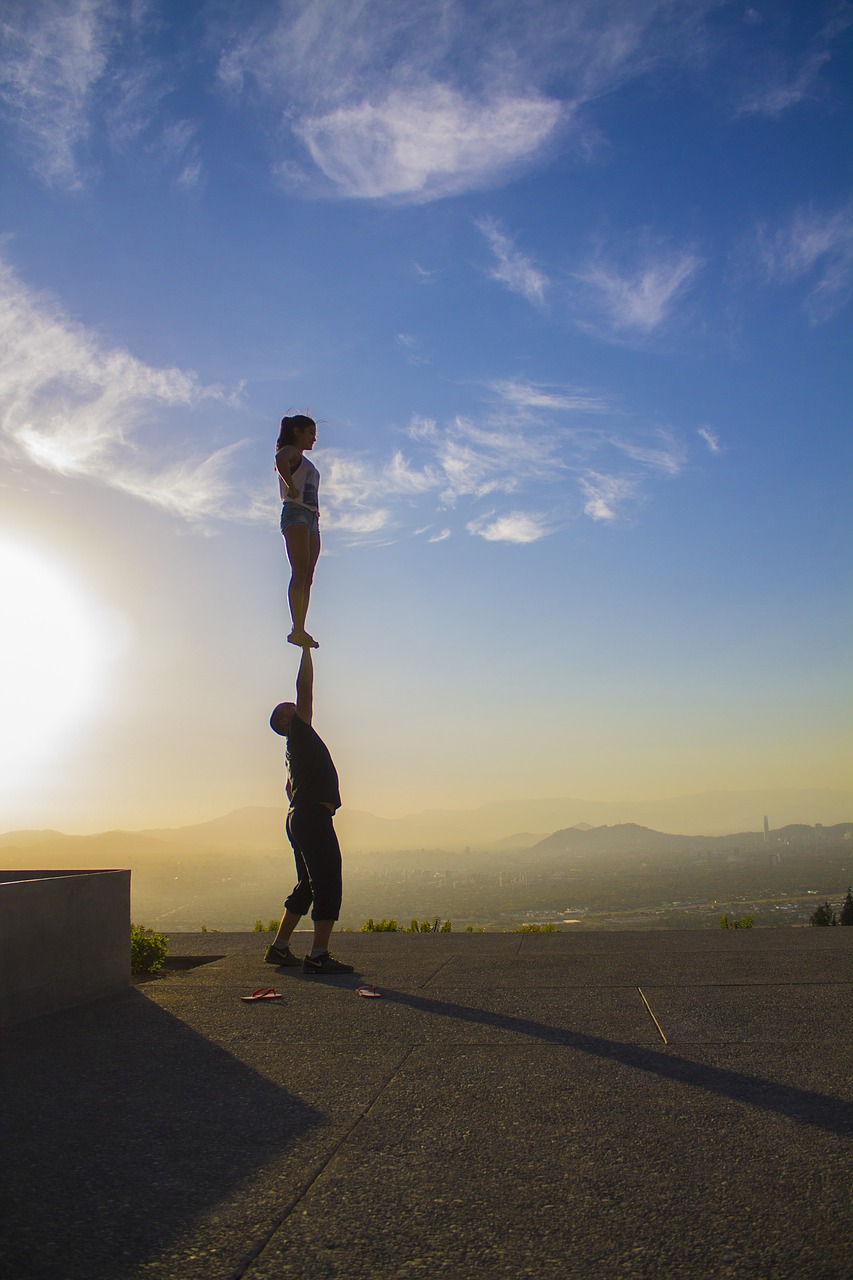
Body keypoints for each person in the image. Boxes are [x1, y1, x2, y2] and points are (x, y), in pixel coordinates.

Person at [265, 644, 353, 975]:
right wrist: (304, 649)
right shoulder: (299, 734)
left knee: (306, 884)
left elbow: (287, 789)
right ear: (287, 720)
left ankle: (279, 947)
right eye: (289, 708)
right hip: (311, 817)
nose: (295, 706)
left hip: (298, 816)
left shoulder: (293, 749)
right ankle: (318, 956)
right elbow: (306, 689)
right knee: (328, 880)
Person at [276, 413, 321, 649]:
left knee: (308, 576)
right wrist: (291, 486)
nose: (314, 439)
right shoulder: (291, 452)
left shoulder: (306, 462)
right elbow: (280, 459)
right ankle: (297, 629)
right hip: (296, 512)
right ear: (297, 432)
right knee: (300, 571)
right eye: (311, 433)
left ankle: (301, 627)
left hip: (312, 518)